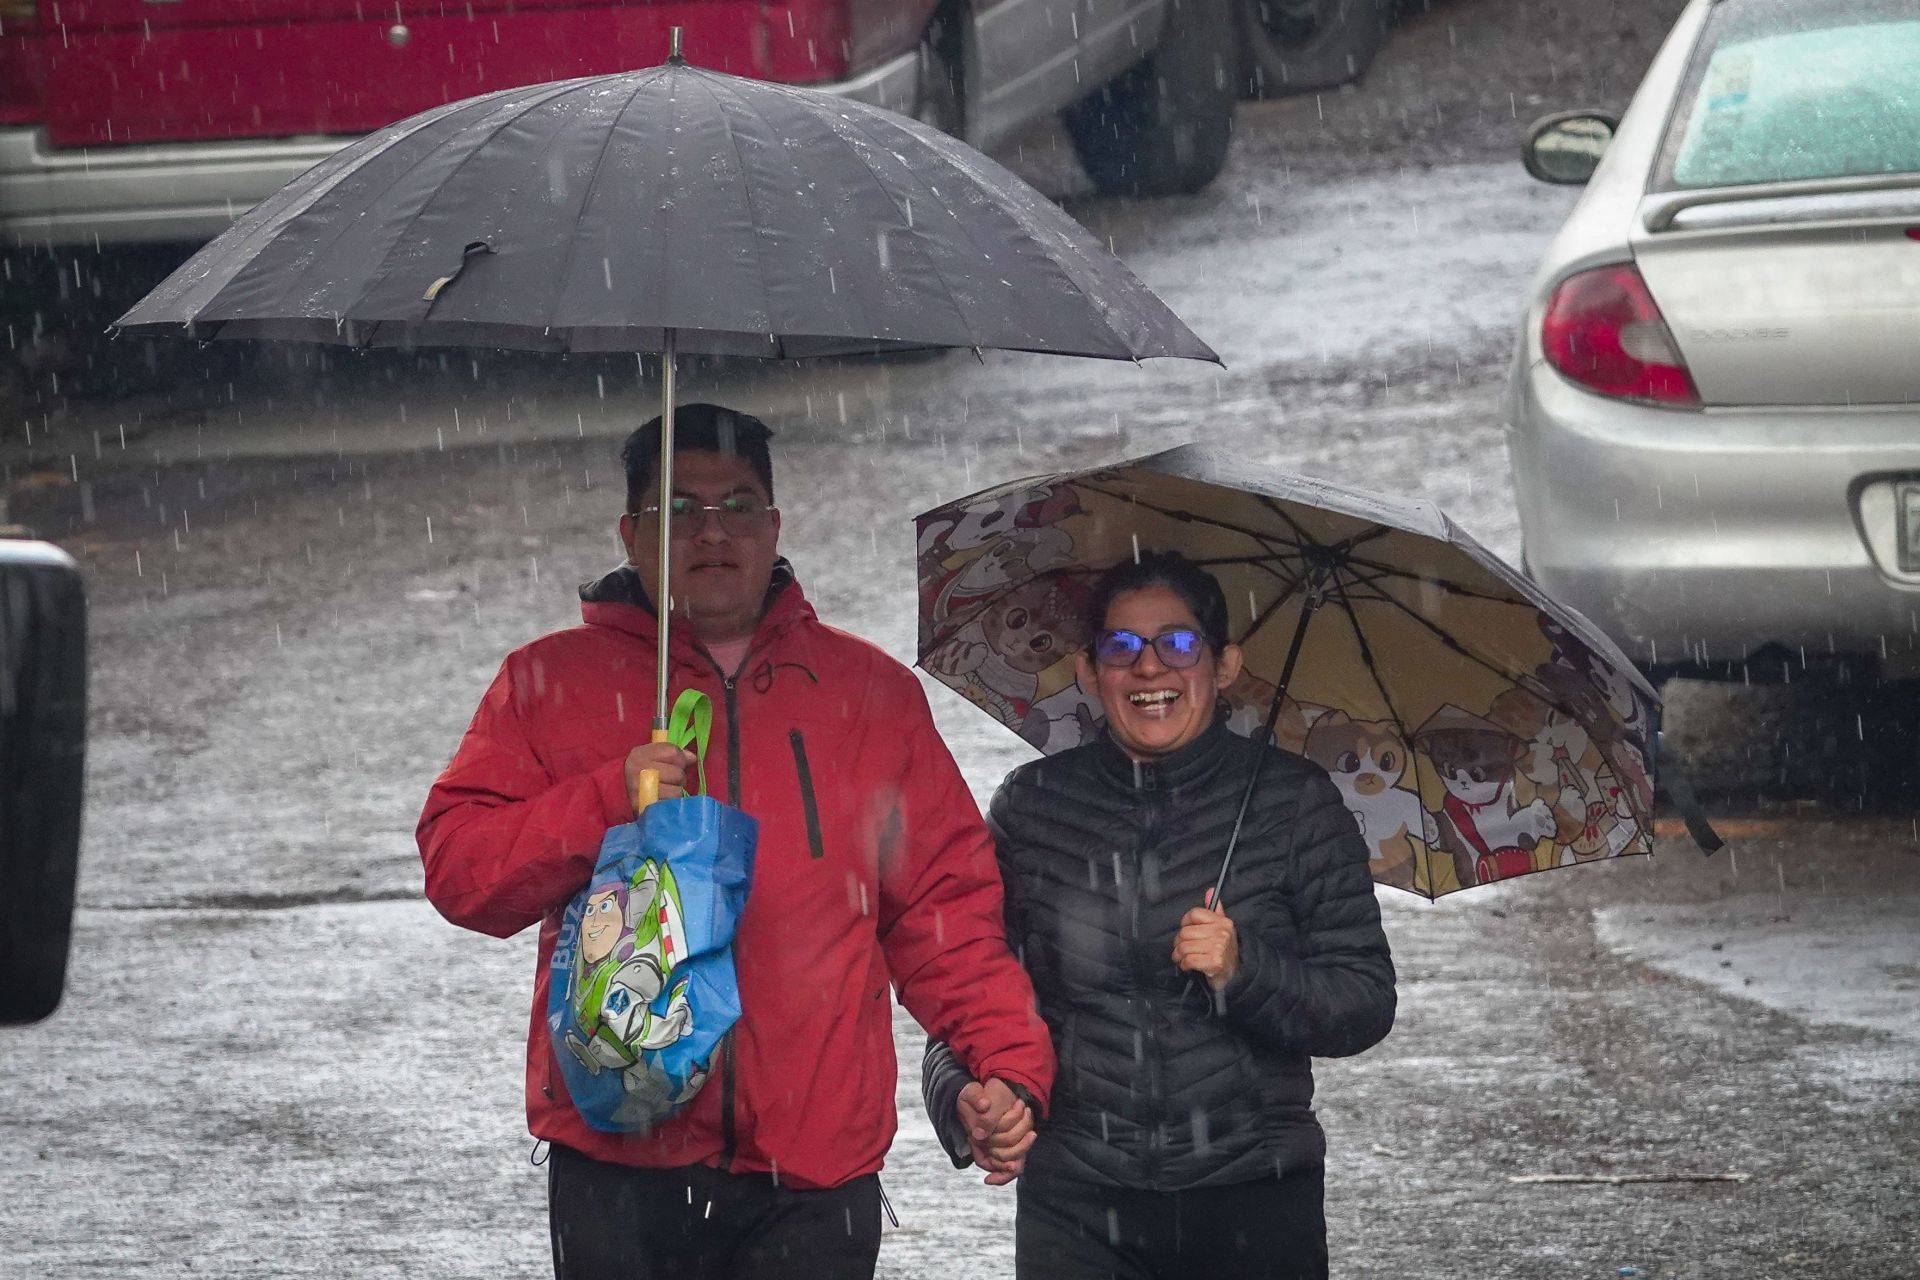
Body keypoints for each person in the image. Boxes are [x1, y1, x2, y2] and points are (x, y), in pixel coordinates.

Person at [417, 404, 1054, 1280]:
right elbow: (461, 873)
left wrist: (1005, 1063)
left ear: (776, 524)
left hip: (815, 1173)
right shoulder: (545, 682)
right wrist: (607, 798)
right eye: (678, 509)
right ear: (631, 533)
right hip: (617, 1162)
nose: (711, 531)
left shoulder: (866, 694)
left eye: (738, 505)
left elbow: (943, 912)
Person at [923, 549, 1396, 1280]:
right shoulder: (1034, 807)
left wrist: (1245, 971)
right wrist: (967, 1097)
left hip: (1254, 1199)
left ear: (1225, 665)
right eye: (1121, 647)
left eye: (1178, 644)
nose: (1150, 669)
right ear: (1089, 670)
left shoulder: (1293, 803)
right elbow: (966, 991)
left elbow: (1363, 1003)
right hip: (1078, 1203)